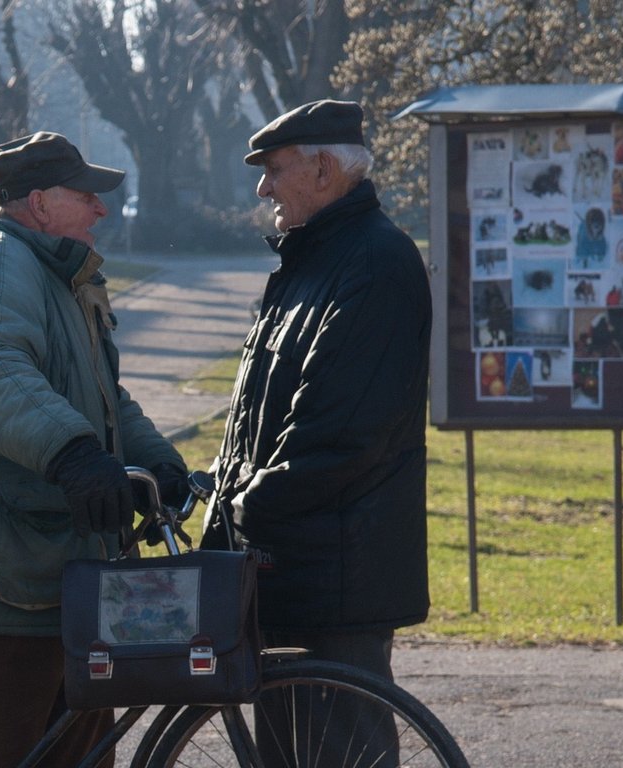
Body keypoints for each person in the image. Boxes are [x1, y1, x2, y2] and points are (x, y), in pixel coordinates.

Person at [0, 131, 188, 768]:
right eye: (87, 195)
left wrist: (160, 465)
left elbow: (104, 398)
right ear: (40, 203)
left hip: (46, 574)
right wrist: (75, 456)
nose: (102, 209)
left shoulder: (52, 272)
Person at [206, 100, 432, 766]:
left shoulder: (374, 265)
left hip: (337, 579)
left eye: (275, 170)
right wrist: (221, 493)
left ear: (325, 171)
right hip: (295, 569)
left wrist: (247, 503)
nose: (262, 187)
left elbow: (340, 433)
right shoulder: (310, 263)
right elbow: (262, 417)